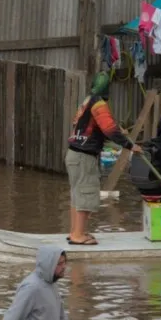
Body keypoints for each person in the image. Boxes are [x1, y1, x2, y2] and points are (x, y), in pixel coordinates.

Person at [66, 71, 142, 245]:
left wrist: (109, 135)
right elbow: (110, 130)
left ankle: (75, 232)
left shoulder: (86, 102)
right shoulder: (99, 104)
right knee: (86, 193)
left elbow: (85, 126)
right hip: (84, 157)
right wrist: (131, 145)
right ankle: (78, 235)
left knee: (77, 194)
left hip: (73, 154)